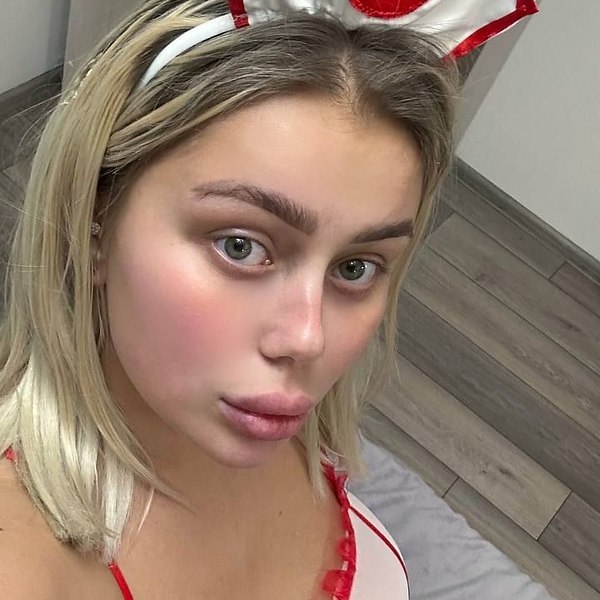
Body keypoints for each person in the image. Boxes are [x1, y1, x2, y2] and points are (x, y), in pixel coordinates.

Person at [0, 1, 537, 598]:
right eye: (241, 246)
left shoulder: (268, 417)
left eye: (355, 268)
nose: (309, 339)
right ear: (93, 223)